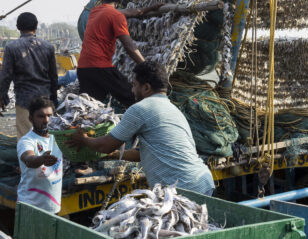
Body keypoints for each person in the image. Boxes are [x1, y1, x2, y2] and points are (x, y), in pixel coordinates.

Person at [67, 61, 215, 196]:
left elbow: (105, 145)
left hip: (183, 188)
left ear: (146, 87)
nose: (132, 90)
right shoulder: (172, 108)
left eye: (134, 85)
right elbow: (142, 153)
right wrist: (115, 154)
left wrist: (84, 140)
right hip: (202, 181)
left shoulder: (140, 109)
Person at [77, 0, 160, 107]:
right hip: (100, 67)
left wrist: (149, 8)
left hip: (84, 68)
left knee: (89, 108)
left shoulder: (95, 12)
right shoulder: (115, 16)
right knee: (134, 98)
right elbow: (129, 46)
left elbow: (129, 12)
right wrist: (147, 67)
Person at [0, 12, 58, 137]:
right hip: (45, 101)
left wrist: (1, 96)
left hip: (24, 101)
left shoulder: (11, 47)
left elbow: (5, 76)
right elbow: (54, 76)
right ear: (36, 26)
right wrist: (54, 98)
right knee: (45, 138)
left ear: (18, 27)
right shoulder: (48, 47)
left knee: (26, 139)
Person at [17, 96, 63, 214]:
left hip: (53, 207)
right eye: (41, 116)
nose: (47, 120)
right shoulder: (26, 140)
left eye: (49, 116)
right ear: (31, 119)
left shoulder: (59, 137)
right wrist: (42, 159)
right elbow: (29, 159)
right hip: (30, 207)